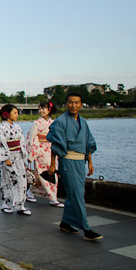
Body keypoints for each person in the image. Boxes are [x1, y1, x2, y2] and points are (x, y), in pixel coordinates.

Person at [47, 92, 103, 241]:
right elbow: (55, 145)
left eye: (77, 102)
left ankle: (66, 222)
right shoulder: (60, 121)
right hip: (67, 160)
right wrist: (52, 164)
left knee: (75, 193)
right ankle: (86, 228)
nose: (74, 105)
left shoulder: (84, 122)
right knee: (77, 194)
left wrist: (90, 162)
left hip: (80, 161)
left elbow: (88, 143)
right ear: (66, 104)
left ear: (81, 104)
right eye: (71, 102)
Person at [25, 102, 64, 207]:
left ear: (49, 110)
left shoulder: (53, 122)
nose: (41, 111)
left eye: (43, 109)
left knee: (42, 174)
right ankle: (53, 198)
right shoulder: (36, 123)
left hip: (51, 150)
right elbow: (31, 138)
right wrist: (33, 152)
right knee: (47, 174)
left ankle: (30, 192)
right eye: (40, 109)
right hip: (40, 151)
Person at [0, 104, 31, 215]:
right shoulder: (2, 128)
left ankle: (20, 205)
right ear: (7, 114)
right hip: (9, 157)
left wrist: (24, 155)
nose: (17, 115)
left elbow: (21, 142)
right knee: (8, 181)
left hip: (18, 157)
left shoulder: (17, 127)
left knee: (21, 181)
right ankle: (6, 203)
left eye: (17, 113)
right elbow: (0, 143)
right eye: (14, 113)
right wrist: (6, 158)